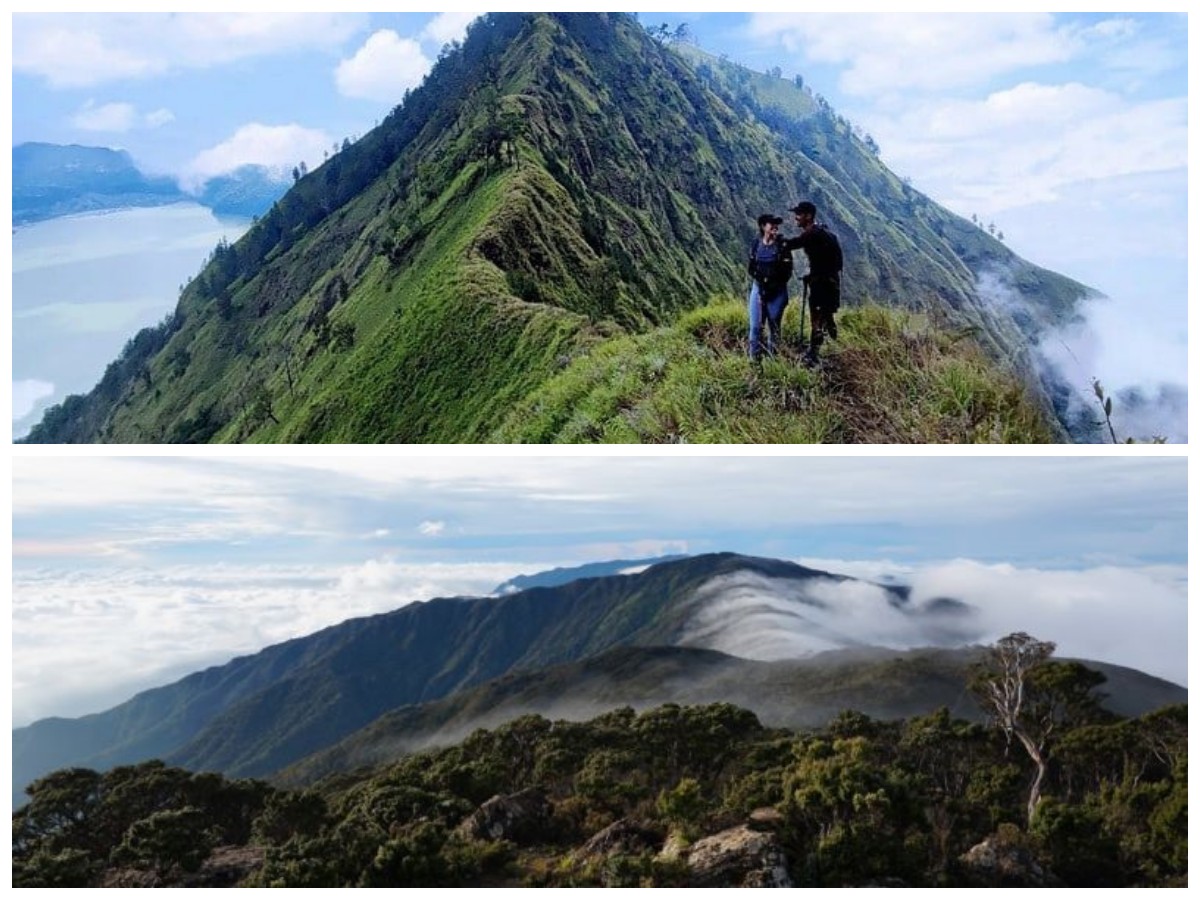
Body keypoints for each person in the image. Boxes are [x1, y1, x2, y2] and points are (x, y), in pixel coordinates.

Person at [783, 201, 843, 366]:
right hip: (831, 283)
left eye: (799, 214)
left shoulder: (812, 234)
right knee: (825, 316)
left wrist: (776, 241)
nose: (796, 218)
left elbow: (792, 244)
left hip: (821, 284)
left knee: (817, 318)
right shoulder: (823, 232)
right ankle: (829, 344)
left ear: (808, 216)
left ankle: (813, 355)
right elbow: (830, 261)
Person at [746, 213, 793, 362]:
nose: (775, 227)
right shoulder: (756, 243)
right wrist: (762, 282)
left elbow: (787, 272)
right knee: (755, 326)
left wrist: (771, 285)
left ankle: (773, 360)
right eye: (771, 224)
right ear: (763, 226)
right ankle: (754, 360)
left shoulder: (782, 245)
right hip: (759, 288)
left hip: (777, 291)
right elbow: (751, 267)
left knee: (774, 324)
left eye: (776, 224)